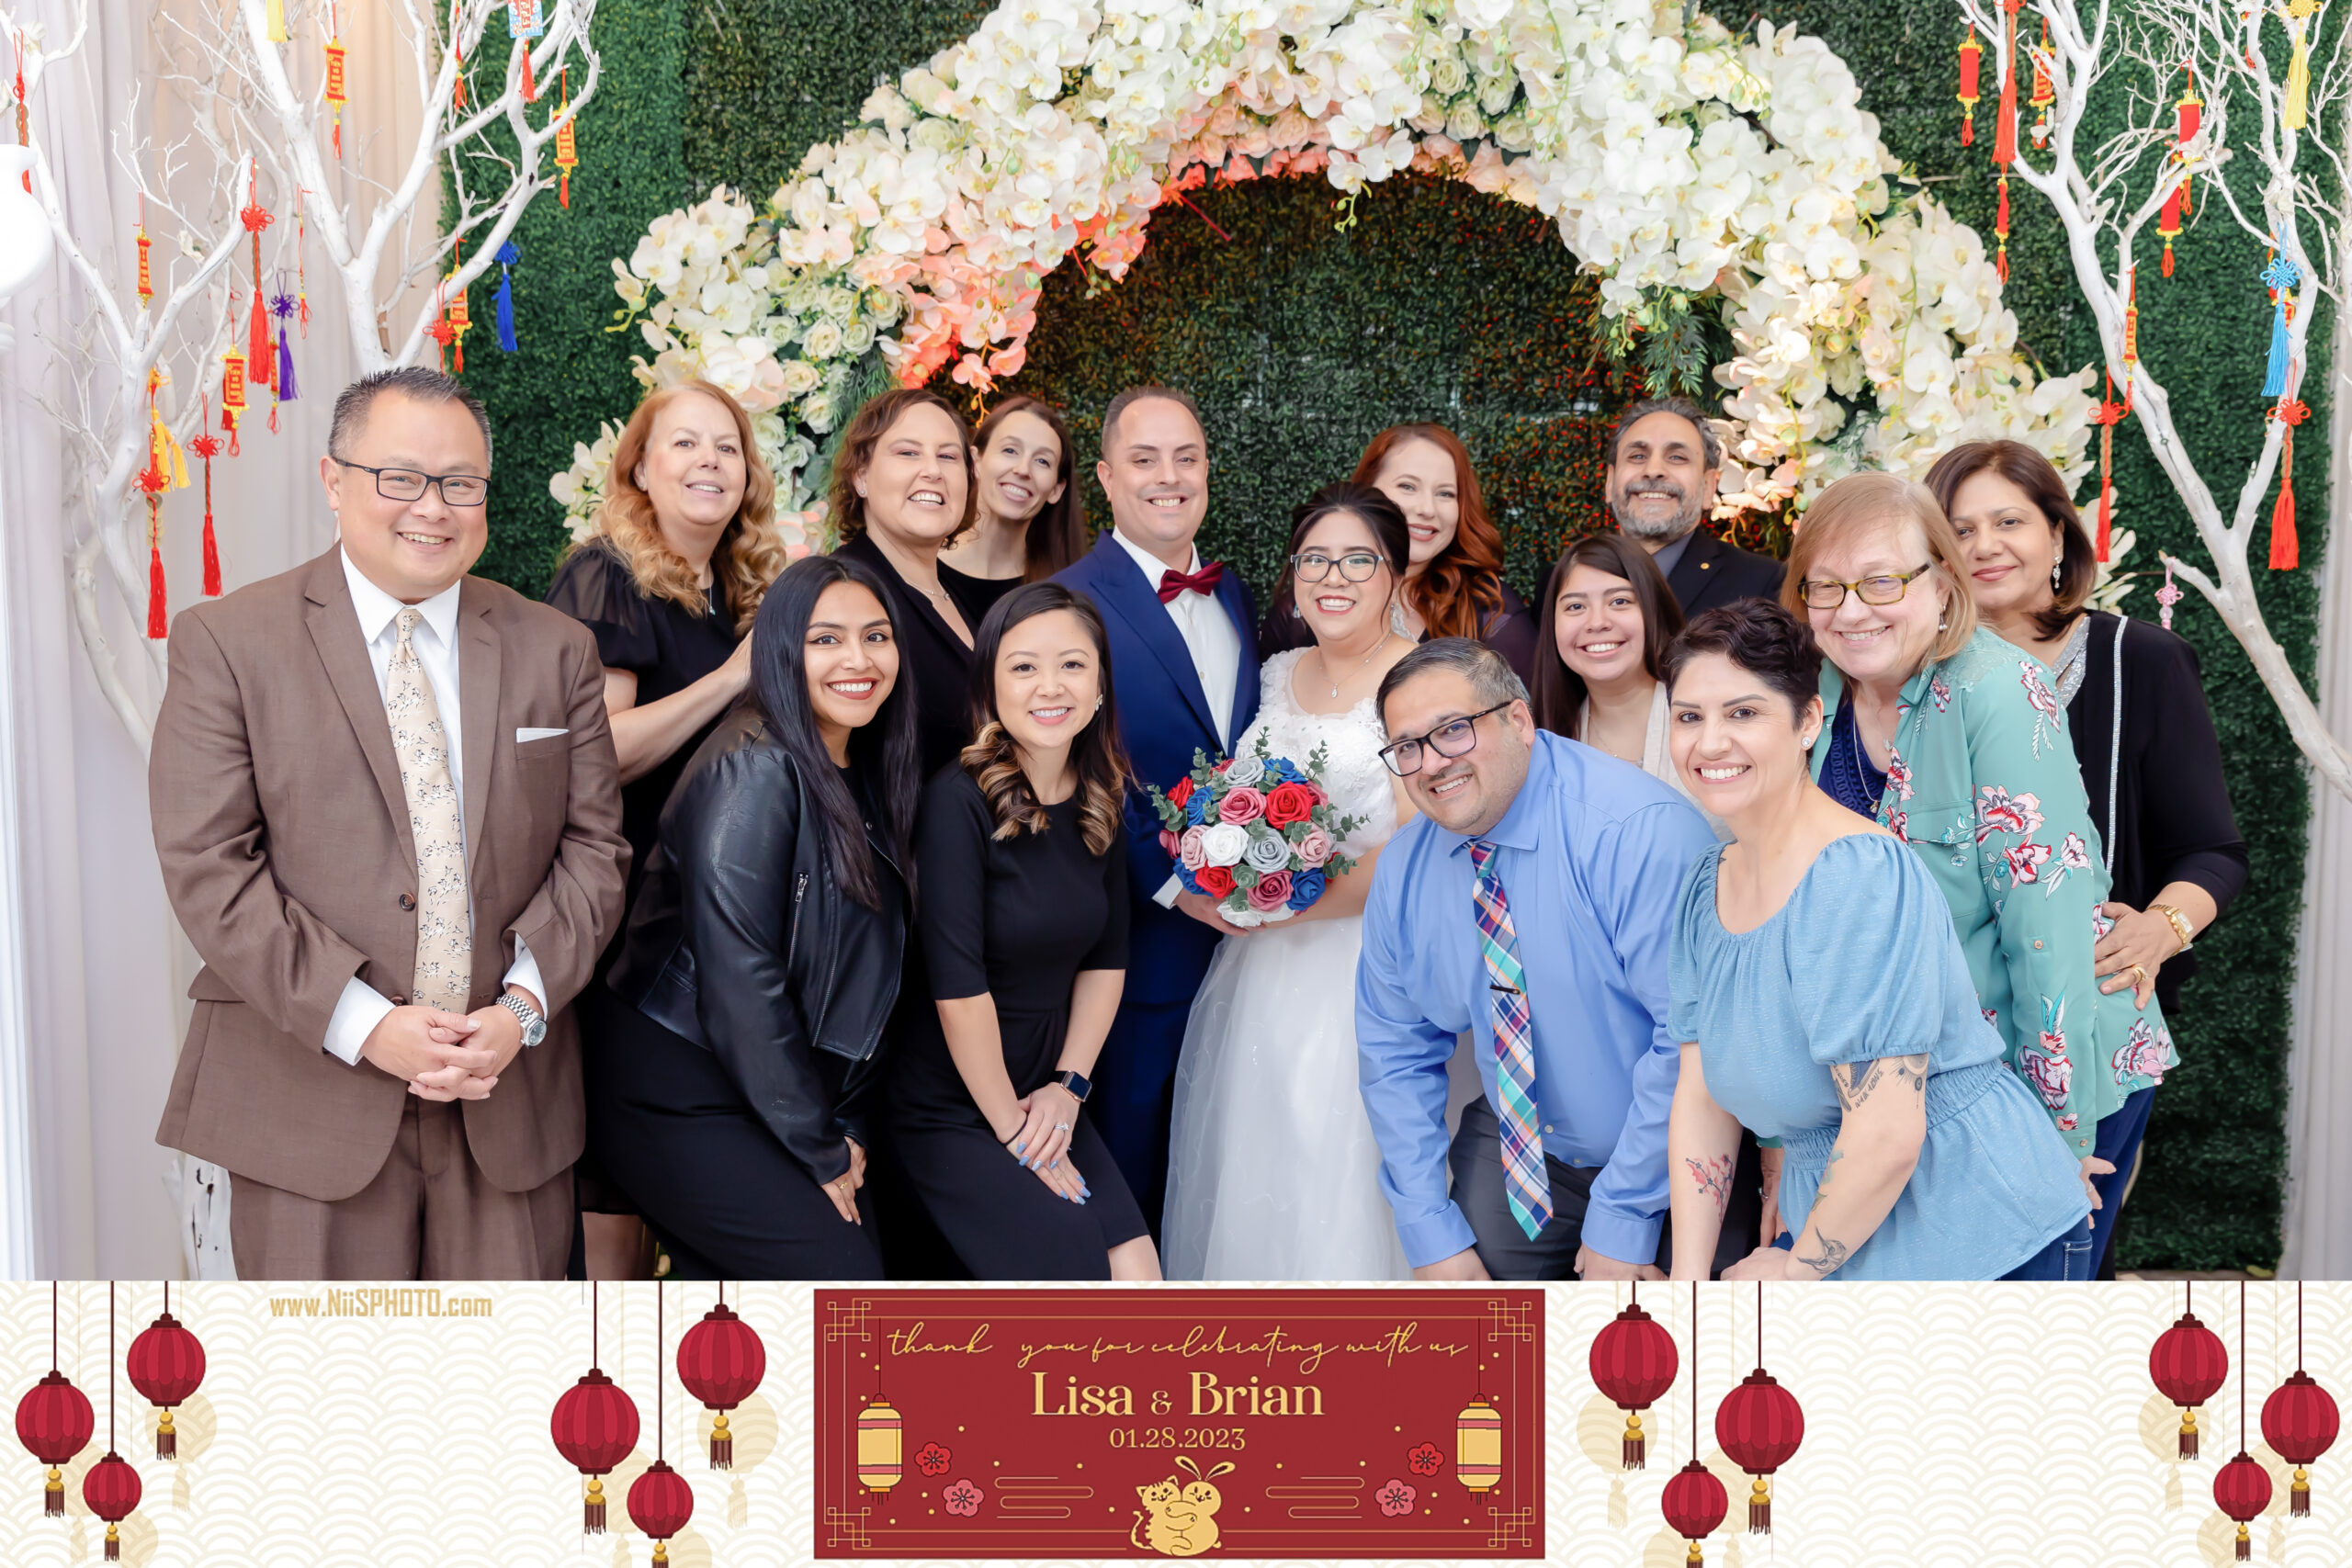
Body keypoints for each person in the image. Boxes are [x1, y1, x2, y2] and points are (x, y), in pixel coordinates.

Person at [150, 367, 629, 1280]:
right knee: (325, 1369)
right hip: (306, 1097)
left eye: (460, 482)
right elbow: (211, 867)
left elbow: (595, 848)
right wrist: (367, 1023)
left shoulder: (556, 648)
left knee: (503, 1368)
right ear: (333, 482)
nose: (433, 507)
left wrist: (520, 1010)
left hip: (504, 1094)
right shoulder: (228, 642)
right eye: (400, 477)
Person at [1662, 601, 2096, 1280]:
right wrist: (1687, 1288)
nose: (1710, 742)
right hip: (1839, 1231)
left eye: (1743, 713)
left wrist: (1792, 1276)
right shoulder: (1703, 886)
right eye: (1689, 717)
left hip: (1978, 1235)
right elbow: (1701, 1098)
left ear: (1809, 721)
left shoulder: (1856, 874)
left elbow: (1887, 1131)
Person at [1786, 469, 2172, 1231]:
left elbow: (2047, 928)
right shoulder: (1817, 692)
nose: (1850, 610)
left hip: (2041, 1065)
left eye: (1881, 581)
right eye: (1824, 586)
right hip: (1903, 1080)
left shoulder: (1999, 690)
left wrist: (2057, 1133)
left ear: (1942, 584)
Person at [1930, 439, 2248, 1276]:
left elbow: (2213, 850)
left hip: (2090, 1027)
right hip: (1945, 1039)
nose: (1985, 545)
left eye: (2008, 521)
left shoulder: (2139, 660)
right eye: (1959, 528)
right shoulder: (1915, 671)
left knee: (2054, 1271)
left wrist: (2161, 927)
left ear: (2058, 536)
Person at [1356, 638, 1723, 1281]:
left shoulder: (1638, 832)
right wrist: (1429, 1230)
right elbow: (1395, 1050)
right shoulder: (1405, 868)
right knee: (1474, 1328)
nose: (1432, 763)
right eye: (1407, 746)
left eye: (1453, 730)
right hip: (1520, 1142)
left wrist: (1624, 1214)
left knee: (1673, 1335)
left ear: (1519, 720)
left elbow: (1691, 1039)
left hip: (1671, 1143)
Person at [594, 555, 917, 1278]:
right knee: (844, 1279)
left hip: (771, 1080)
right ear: (778, 650)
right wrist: (821, 1143)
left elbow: (865, 977)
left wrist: (844, 1121)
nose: (858, 659)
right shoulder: (753, 767)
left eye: (876, 636)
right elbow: (741, 978)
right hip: (680, 1082)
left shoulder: (866, 764)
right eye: (826, 639)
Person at [545, 378, 789, 1280]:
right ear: (641, 469)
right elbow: (596, 754)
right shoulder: (604, 575)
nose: (708, 461)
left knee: (684, 1193)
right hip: (625, 924)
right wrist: (730, 680)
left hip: (714, 920)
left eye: (727, 447)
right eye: (684, 443)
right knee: (617, 1192)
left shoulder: (744, 589)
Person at [1163, 483, 1420, 1280]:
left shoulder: (1418, 679)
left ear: (1395, 574)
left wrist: (1284, 907)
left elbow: (1417, 843)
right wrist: (1227, 873)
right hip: (1259, 970)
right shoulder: (1274, 673)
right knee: (1256, 1154)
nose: (1332, 577)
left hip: (1364, 964)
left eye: (1357, 560)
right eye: (1314, 559)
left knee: (1338, 1157)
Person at [888, 584, 1161, 1280]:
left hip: (1046, 1091)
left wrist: (1068, 1086)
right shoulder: (957, 802)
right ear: (990, 686)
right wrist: (1016, 1133)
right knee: (1078, 1269)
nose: (1050, 686)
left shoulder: (1100, 793)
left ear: (1100, 686)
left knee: (1138, 1270)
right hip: (953, 1101)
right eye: (1023, 667)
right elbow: (958, 993)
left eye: (1072, 665)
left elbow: (1106, 962)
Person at [1053, 386, 1260, 1236]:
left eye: (1186, 458)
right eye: (1144, 460)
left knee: (1223, 1185)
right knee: (1133, 1184)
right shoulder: (1067, 601)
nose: (1169, 477)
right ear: (1106, 478)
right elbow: (1073, 769)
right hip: (1135, 954)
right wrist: (1177, 887)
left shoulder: (1236, 594)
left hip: (1249, 958)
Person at [1260, 424, 1536, 682]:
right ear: (1367, 490)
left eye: (1445, 494)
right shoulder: (1307, 603)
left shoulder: (1491, 609)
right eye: (1407, 486)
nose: (1427, 509)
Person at [1529, 533, 1726, 837]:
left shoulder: (1715, 719)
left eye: (1619, 601)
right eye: (1575, 607)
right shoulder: (1541, 747)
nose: (1597, 622)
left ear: (1652, 609)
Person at [831, 388, 980, 777]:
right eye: (908, 453)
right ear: (861, 477)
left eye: (948, 456)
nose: (933, 470)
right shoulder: (839, 593)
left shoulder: (961, 594)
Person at [1604, 397, 1784, 615]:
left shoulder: (1764, 586)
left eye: (1677, 457)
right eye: (1638, 456)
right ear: (1610, 482)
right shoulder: (1568, 579)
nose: (1653, 470)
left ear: (1708, 487)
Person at [937, 394, 1086, 624]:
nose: (1023, 470)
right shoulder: (922, 568)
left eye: (1042, 461)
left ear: (1057, 489)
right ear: (975, 461)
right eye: (1010, 450)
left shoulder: (1066, 592)